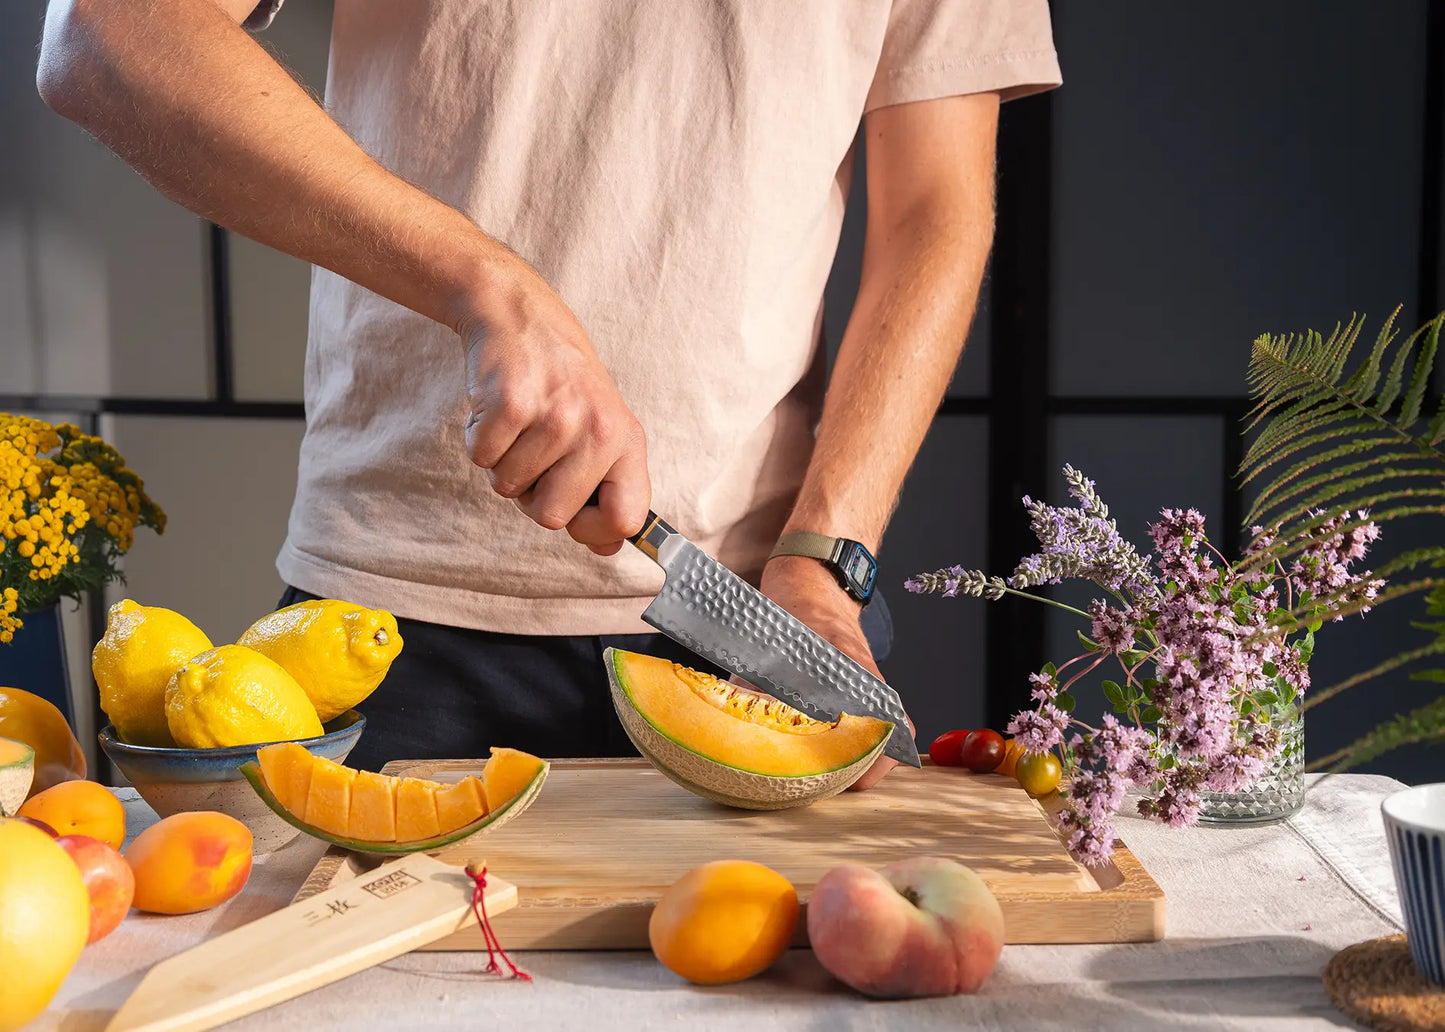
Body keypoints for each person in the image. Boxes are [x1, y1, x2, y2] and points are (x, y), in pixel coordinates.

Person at [36, 0, 1060, 782]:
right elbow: (104, 31)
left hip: (763, 624)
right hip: (390, 624)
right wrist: (489, 283)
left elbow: (935, 213)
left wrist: (824, 555)